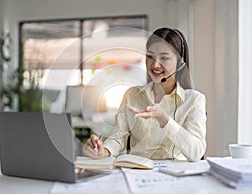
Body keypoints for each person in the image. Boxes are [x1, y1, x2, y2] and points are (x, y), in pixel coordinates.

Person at [84, 27, 207, 161]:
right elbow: (118, 137)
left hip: (175, 177)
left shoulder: (194, 100)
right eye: (150, 56)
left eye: (164, 58)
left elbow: (196, 152)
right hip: (136, 172)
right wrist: (104, 151)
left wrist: (165, 120)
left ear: (179, 63)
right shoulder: (132, 95)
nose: (155, 65)